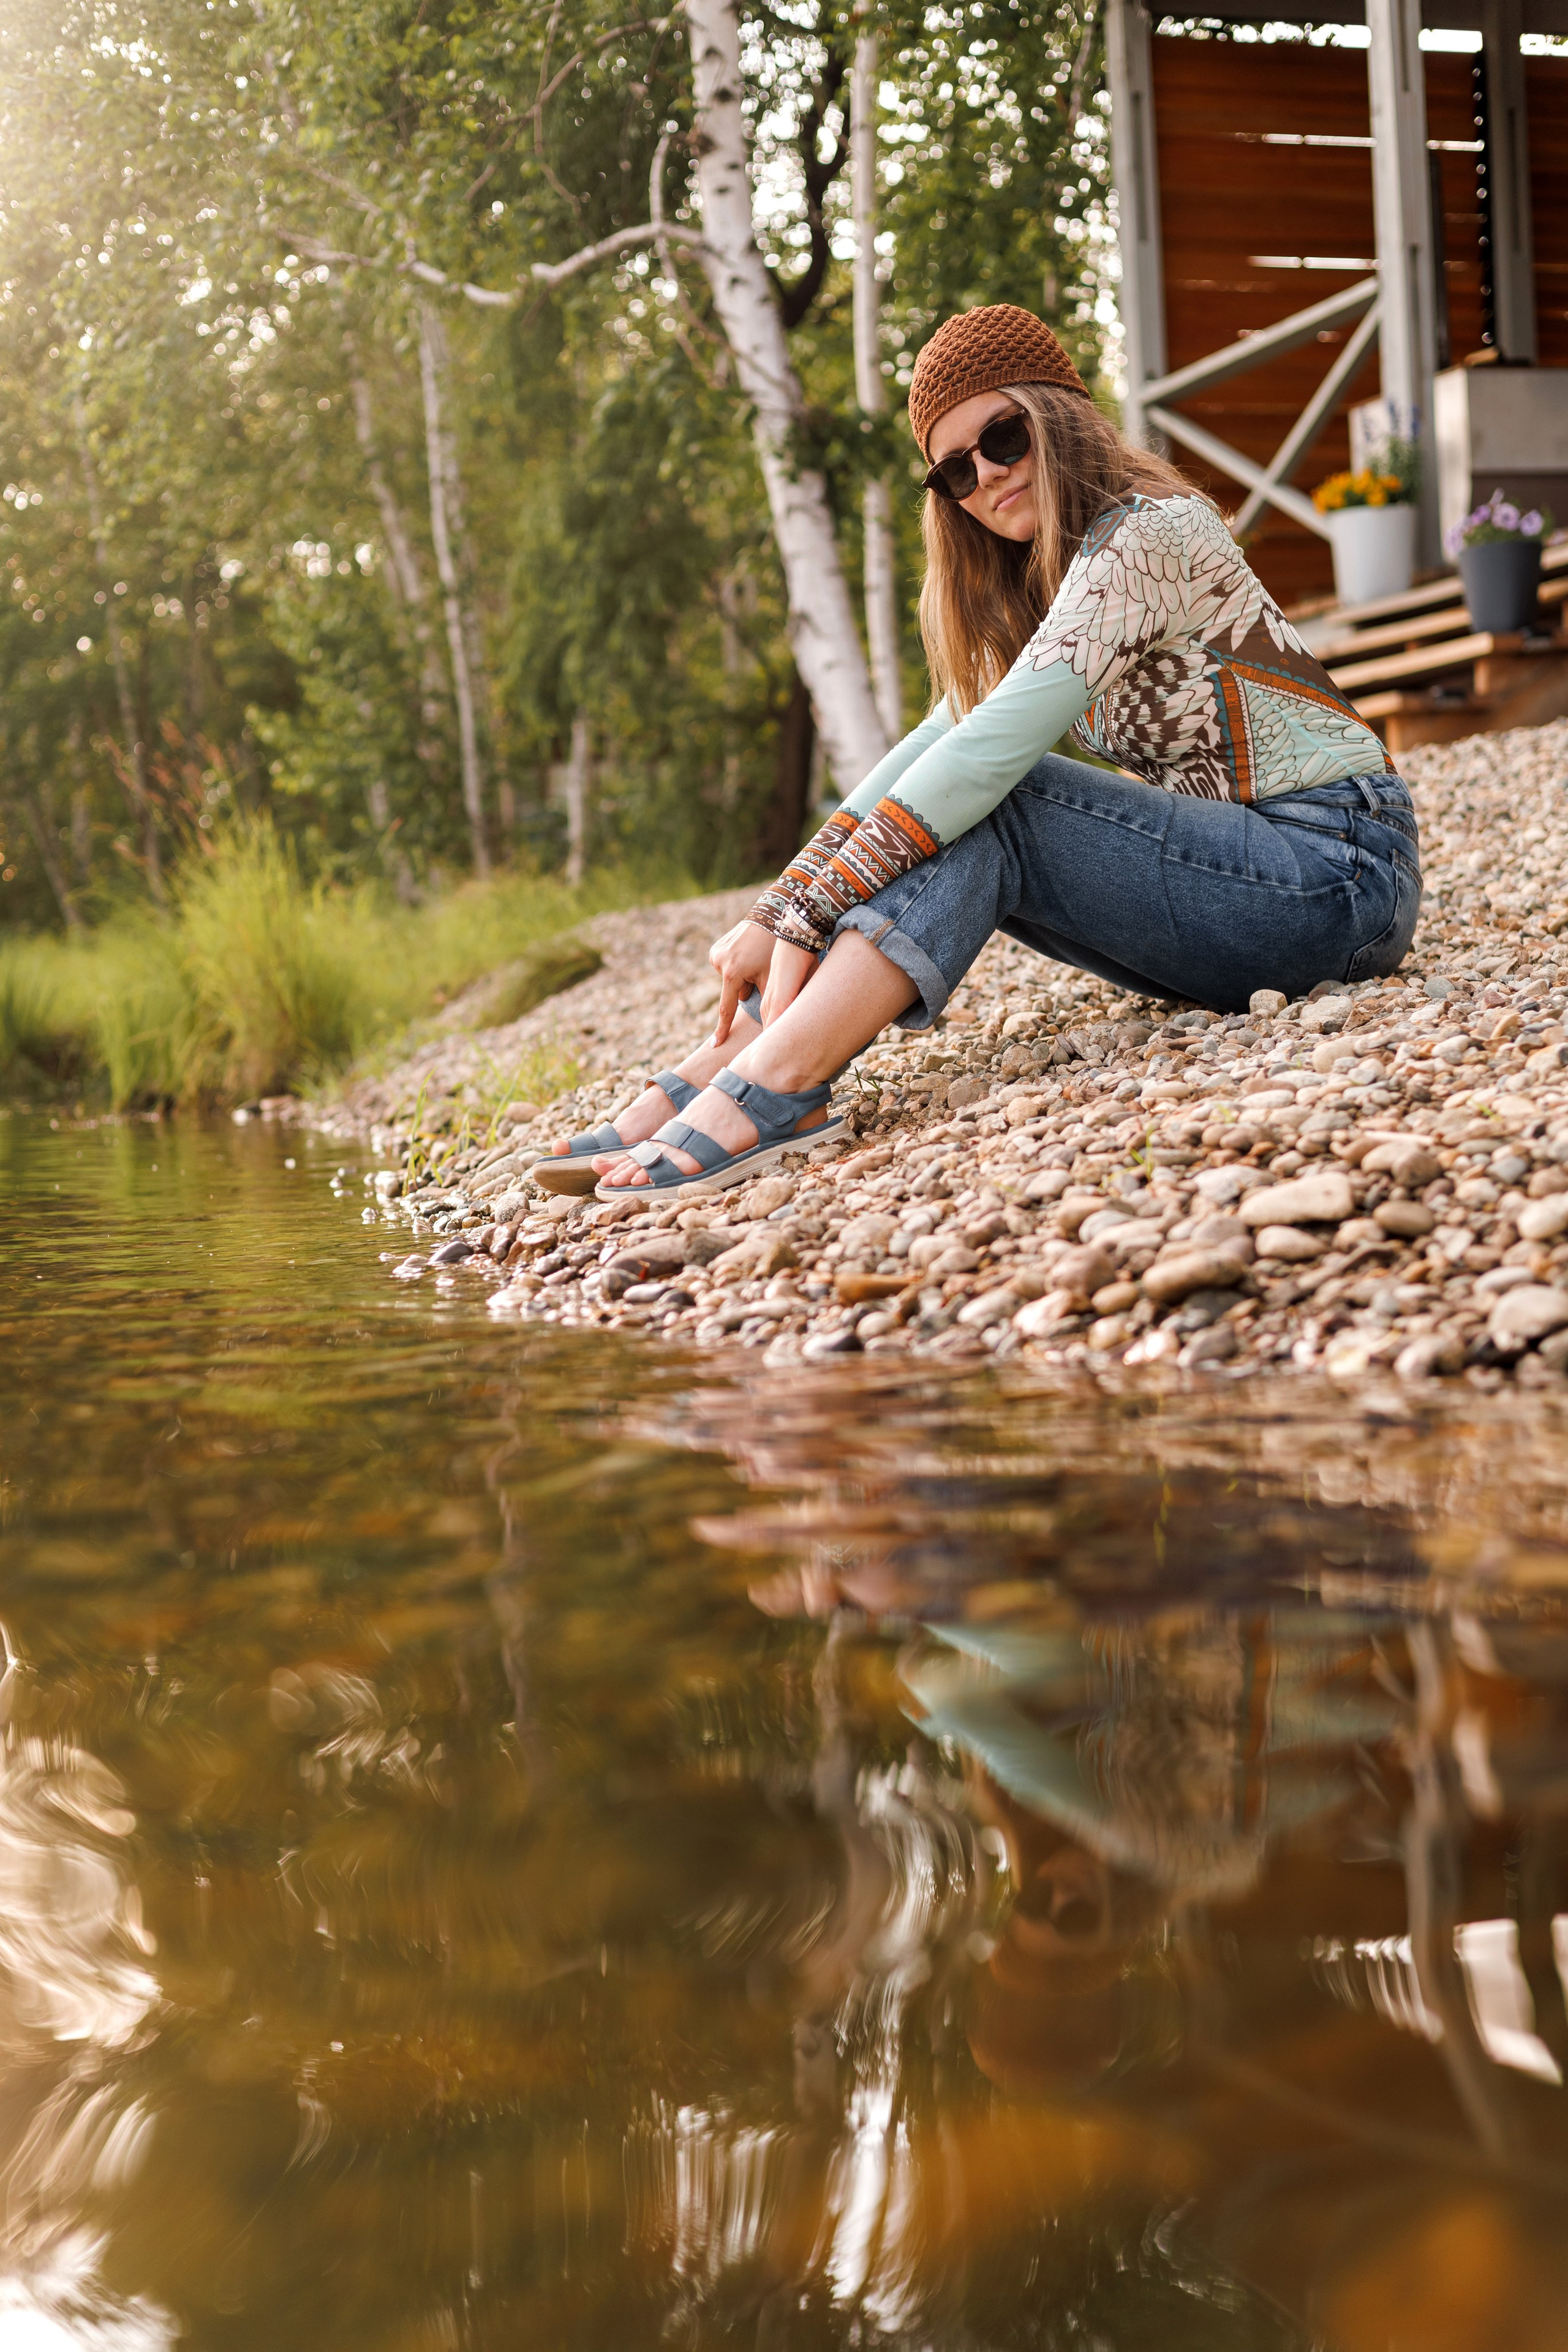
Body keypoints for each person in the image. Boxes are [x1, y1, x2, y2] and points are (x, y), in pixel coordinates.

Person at [533, 303, 1420, 1200]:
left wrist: (808, 911)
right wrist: (782, 903)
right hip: (1250, 887)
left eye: (1003, 438)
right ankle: (736, 1061)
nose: (988, 477)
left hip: (1339, 875)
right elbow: (935, 744)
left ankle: (775, 1078)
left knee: (995, 797)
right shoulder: (1049, 577)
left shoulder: (1150, 534)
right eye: (955, 471)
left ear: (1058, 416)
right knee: (942, 802)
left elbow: (984, 760)